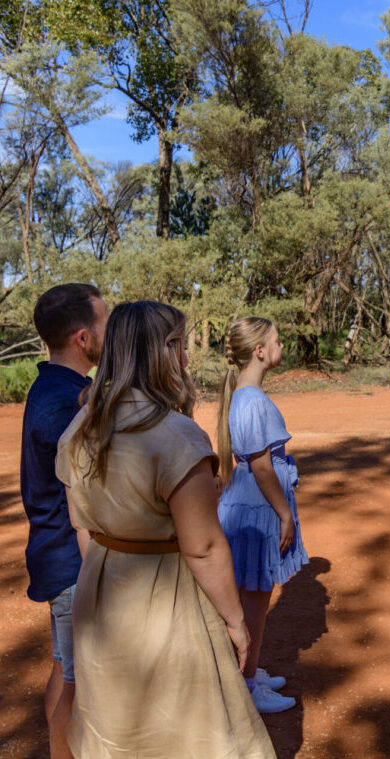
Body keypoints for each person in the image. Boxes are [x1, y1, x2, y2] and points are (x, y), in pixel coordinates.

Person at [56, 301, 275, 758]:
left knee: (116, 727)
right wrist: (237, 622)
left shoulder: (80, 427)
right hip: (167, 599)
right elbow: (204, 547)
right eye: (182, 346)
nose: (187, 361)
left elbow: (82, 526)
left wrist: (106, 574)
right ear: (164, 350)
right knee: (191, 730)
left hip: (99, 591)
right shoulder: (174, 434)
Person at [19, 284, 107, 759]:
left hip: (61, 558)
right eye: (104, 324)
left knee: (64, 670)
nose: (108, 334)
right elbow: (74, 463)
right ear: (82, 337)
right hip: (72, 561)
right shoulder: (63, 400)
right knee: (79, 685)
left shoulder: (59, 386)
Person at [217, 316, 308, 714]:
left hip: (250, 503)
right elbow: (261, 465)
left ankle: (248, 672)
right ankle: (247, 686)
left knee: (252, 596)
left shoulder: (243, 395)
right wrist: (284, 513)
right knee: (255, 601)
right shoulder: (252, 399)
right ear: (259, 351)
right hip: (259, 507)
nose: (281, 347)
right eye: (277, 340)